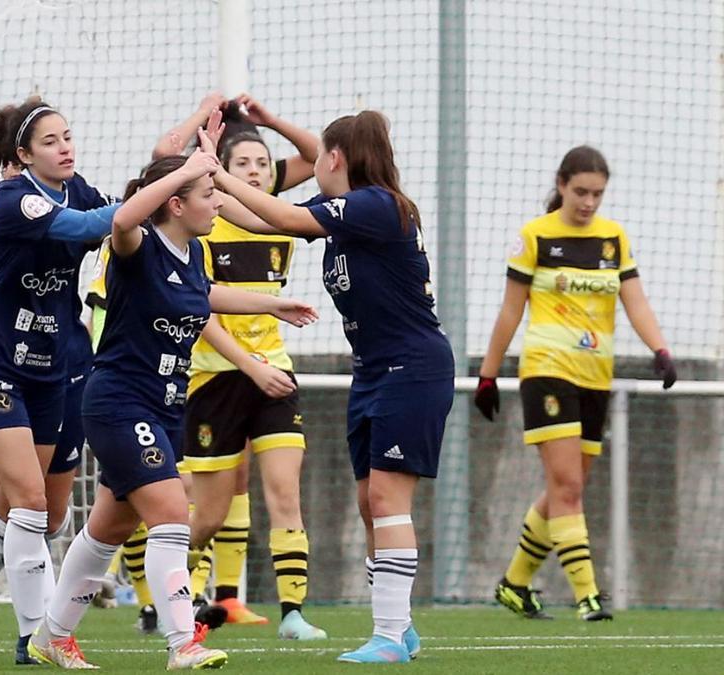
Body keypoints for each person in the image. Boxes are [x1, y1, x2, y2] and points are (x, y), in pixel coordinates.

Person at [30, 137, 319, 670]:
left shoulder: (193, 255)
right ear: (175, 204)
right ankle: (183, 641)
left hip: (164, 407)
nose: (219, 203)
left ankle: (52, 635)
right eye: (209, 194)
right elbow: (120, 221)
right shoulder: (136, 245)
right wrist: (182, 170)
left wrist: (273, 303)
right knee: (170, 514)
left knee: (106, 530)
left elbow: (205, 296)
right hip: (120, 402)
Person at [207, 110, 453, 663]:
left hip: (411, 369)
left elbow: (287, 218)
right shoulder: (347, 220)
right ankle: (401, 626)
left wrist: (220, 174)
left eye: (320, 156)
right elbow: (265, 221)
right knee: (370, 501)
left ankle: (388, 635)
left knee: (388, 497)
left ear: (335, 159)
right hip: (373, 371)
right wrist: (200, 189)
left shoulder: (376, 205)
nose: (313, 164)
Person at [0, 97, 122, 664]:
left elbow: (115, 215)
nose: (66, 147)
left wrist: (184, 161)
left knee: (37, 512)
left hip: (54, 368)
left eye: (68, 136)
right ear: (22, 155)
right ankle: (37, 638)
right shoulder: (14, 202)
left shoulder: (79, 187)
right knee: (26, 502)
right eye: (50, 141)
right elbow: (100, 224)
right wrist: (149, 199)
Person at [475, 145, 677, 621]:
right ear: (562, 185)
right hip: (547, 370)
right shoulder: (536, 237)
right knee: (567, 485)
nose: (588, 203)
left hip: (594, 377)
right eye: (581, 192)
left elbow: (636, 302)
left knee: (566, 489)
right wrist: (488, 373)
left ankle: (515, 583)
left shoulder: (614, 239)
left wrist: (660, 350)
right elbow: (510, 311)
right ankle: (587, 596)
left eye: (598, 195)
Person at [171, 93, 327, 638]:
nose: (257, 170)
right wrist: (246, 366)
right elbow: (198, 310)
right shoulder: (201, 223)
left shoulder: (275, 216)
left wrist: (269, 123)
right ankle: (172, 593)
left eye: (264, 163)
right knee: (207, 516)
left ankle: (293, 615)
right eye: (244, 163)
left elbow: (319, 154)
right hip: (214, 379)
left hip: (274, 373)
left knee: (285, 493)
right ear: (220, 170)